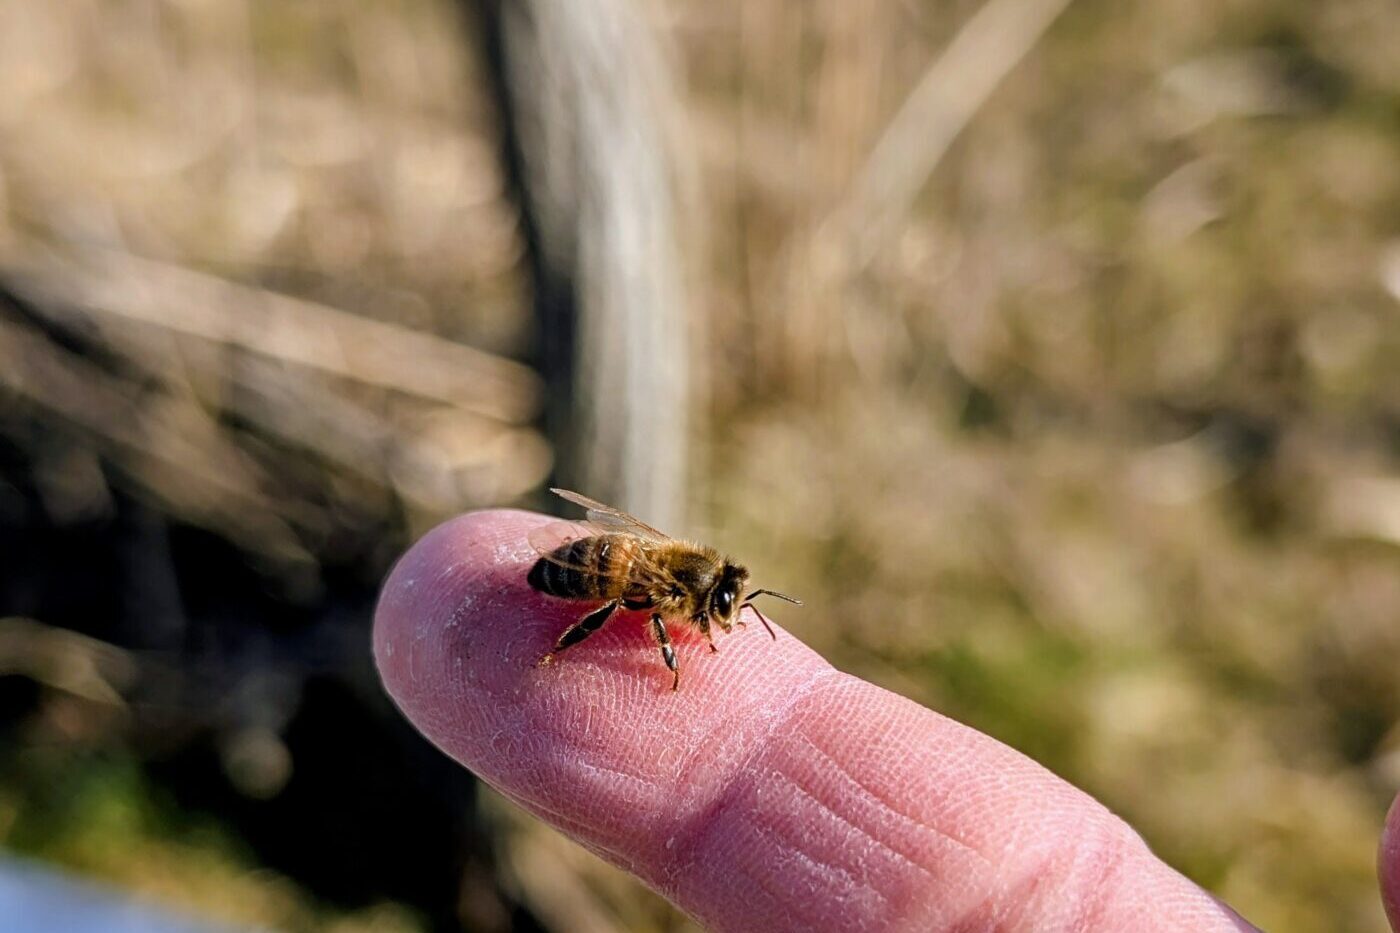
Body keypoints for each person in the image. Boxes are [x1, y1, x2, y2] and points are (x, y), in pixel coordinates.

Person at [375, 510, 1400, 932]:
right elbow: (642, 597)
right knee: (612, 599)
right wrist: (662, 653)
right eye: (721, 608)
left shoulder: (679, 571)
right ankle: (550, 650)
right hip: (574, 582)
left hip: (603, 575)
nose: (721, 617)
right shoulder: (661, 589)